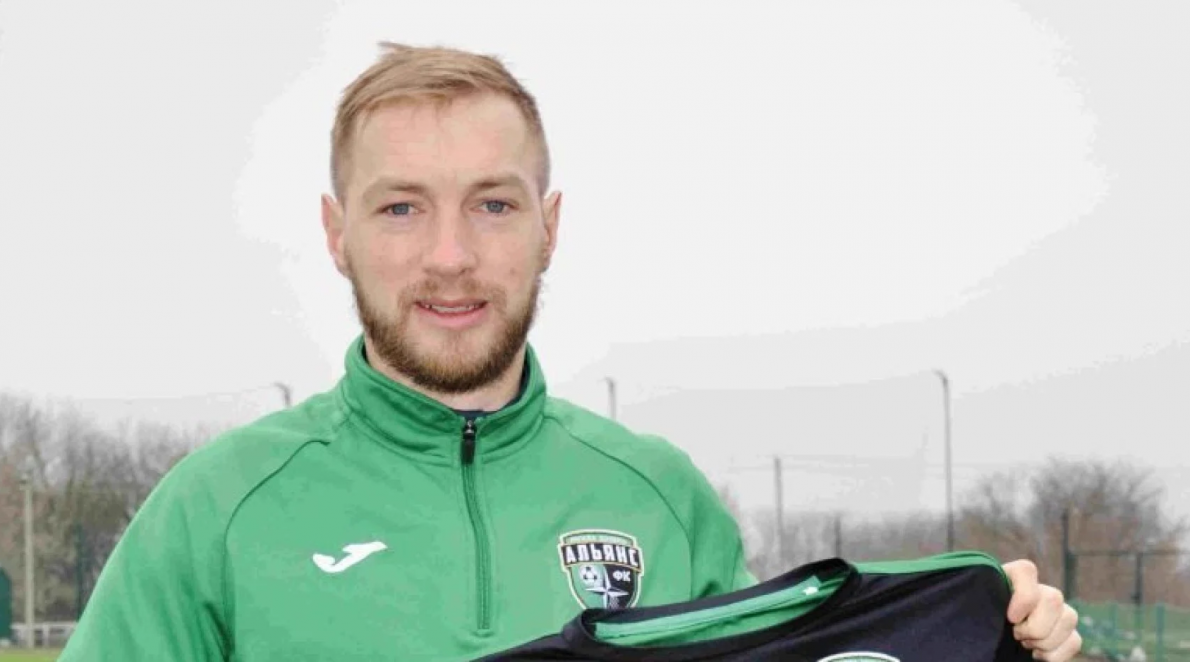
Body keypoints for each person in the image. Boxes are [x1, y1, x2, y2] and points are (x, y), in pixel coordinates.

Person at [60, 42, 1081, 661]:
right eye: (402, 207)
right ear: (336, 233)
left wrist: (1018, 648)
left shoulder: (663, 499)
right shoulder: (214, 510)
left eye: (493, 204)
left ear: (549, 227)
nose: (450, 256)